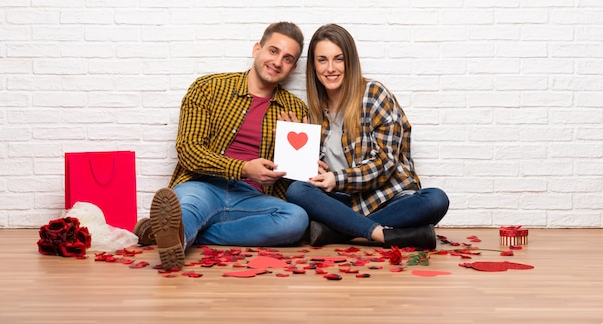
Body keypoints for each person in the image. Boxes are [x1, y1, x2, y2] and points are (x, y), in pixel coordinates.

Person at [137, 22, 310, 270]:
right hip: (203, 186)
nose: (277, 61)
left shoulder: (295, 110)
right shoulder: (208, 88)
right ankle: (179, 237)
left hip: (252, 199)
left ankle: (175, 233)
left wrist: (301, 158)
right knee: (187, 207)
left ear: (292, 68)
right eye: (273, 51)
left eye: (287, 58)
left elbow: (292, 179)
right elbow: (189, 151)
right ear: (257, 49)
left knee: (296, 219)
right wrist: (243, 169)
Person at [284, 24, 449, 250]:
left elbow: (385, 163)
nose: (330, 68)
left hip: (388, 198)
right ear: (313, 65)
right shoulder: (314, 110)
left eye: (338, 59)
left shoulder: (374, 94)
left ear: (350, 61)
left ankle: (337, 232)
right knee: (296, 191)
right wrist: (299, 155)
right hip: (343, 203)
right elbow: (317, 175)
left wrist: (337, 178)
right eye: (322, 60)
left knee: (436, 199)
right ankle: (381, 234)